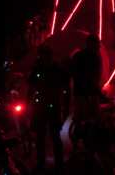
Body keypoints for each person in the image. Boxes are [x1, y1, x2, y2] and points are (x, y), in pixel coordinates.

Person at [27, 44, 70, 174]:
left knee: (54, 137)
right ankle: (45, 165)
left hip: (51, 107)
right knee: (42, 138)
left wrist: (65, 105)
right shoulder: (40, 70)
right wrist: (28, 105)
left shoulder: (58, 70)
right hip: (41, 108)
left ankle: (57, 165)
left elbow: (66, 89)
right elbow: (31, 88)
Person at [69, 33, 102, 123]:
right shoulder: (93, 57)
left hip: (78, 92)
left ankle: (78, 131)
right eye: (97, 43)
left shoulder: (78, 55)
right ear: (91, 44)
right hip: (90, 93)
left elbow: (71, 72)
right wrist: (98, 92)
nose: (99, 46)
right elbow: (92, 76)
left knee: (79, 120)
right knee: (94, 119)